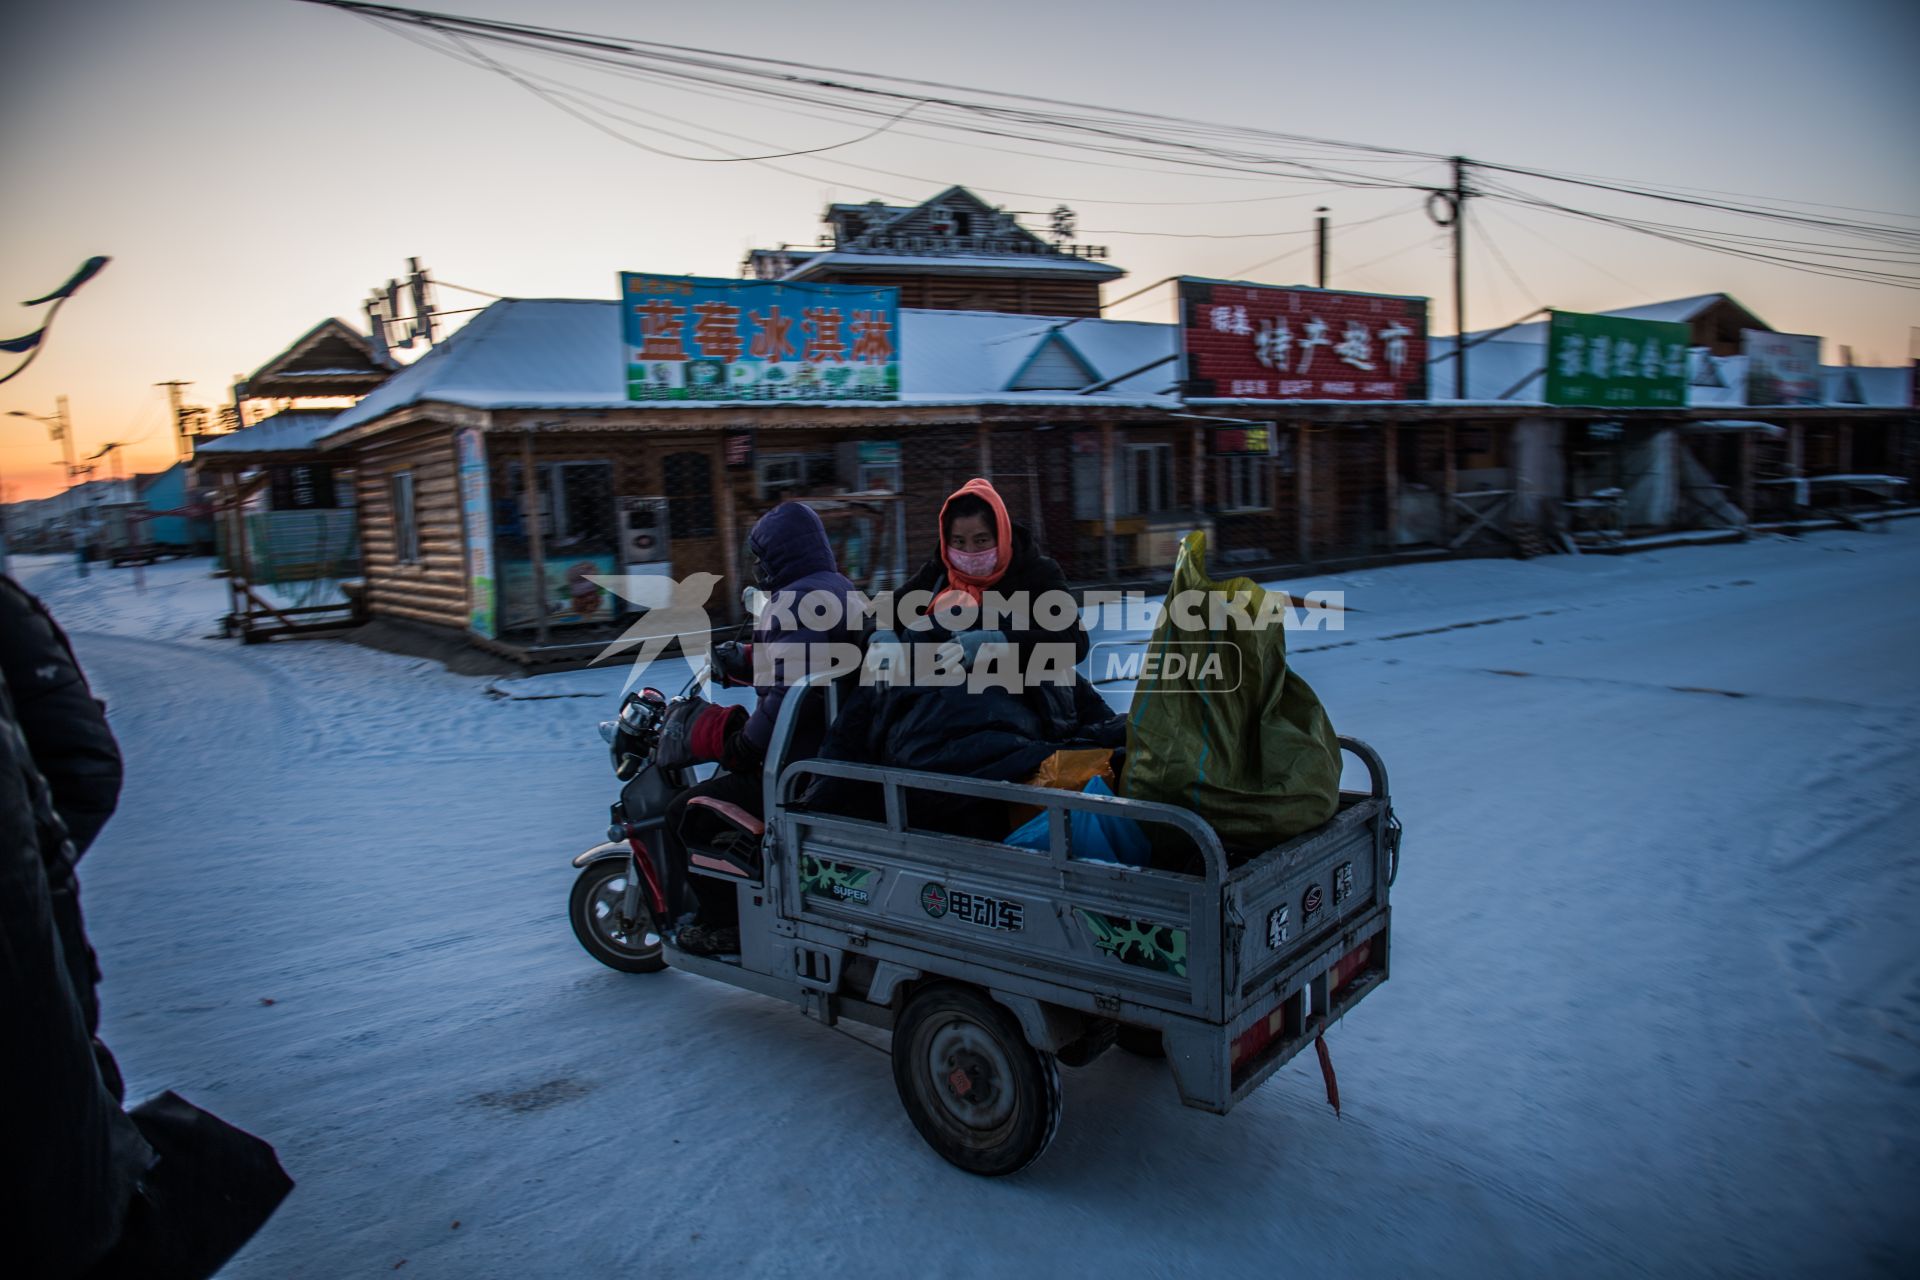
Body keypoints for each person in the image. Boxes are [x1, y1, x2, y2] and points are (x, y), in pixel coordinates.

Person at [654, 502, 861, 955]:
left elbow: (791, 695)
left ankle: (724, 923)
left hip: (799, 763)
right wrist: (748, 659)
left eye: (760, 555)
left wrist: (744, 747)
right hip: (830, 751)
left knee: (687, 811)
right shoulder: (835, 587)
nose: (757, 566)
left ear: (779, 554)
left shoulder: (793, 602)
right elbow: (808, 663)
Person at [895, 476, 1090, 683]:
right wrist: (880, 639)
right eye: (959, 542)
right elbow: (879, 614)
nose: (970, 552)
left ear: (1002, 536)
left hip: (1020, 700)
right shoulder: (938, 574)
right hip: (942, 702)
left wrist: (996, 643)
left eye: (981, 540)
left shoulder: (1036, 573)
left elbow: (1073, 642)